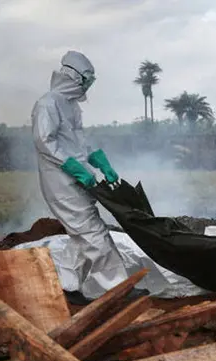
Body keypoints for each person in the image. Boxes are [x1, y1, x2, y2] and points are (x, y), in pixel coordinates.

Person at [32, 50, 134, 304]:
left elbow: (80, 141)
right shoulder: (48, 104)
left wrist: (99, 160)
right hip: (60, 181)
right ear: (74, 76)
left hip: (77, 179)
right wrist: (74, 167)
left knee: (82, 236)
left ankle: (70, 286)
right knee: (93, 232)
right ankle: (119, 290)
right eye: (87, 79)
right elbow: (44, 141)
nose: (89, 84)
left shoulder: (71, 107)